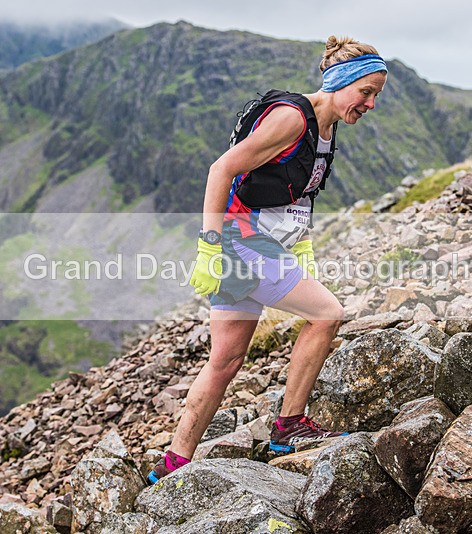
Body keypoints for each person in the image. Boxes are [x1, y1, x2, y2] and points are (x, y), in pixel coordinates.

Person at [147, 35, 387, 484]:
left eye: (376, 96)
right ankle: (289, 426)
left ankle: (173, 464)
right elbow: (222, 169)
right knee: (327, 315)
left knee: (226, 359)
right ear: (341, 82)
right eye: (366, 92)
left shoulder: (326, 129)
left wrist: (301, 247)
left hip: (258, 243)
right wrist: (208, 246)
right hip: (243, 242)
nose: (371, 104)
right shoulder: (291, 120)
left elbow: (291, 195)